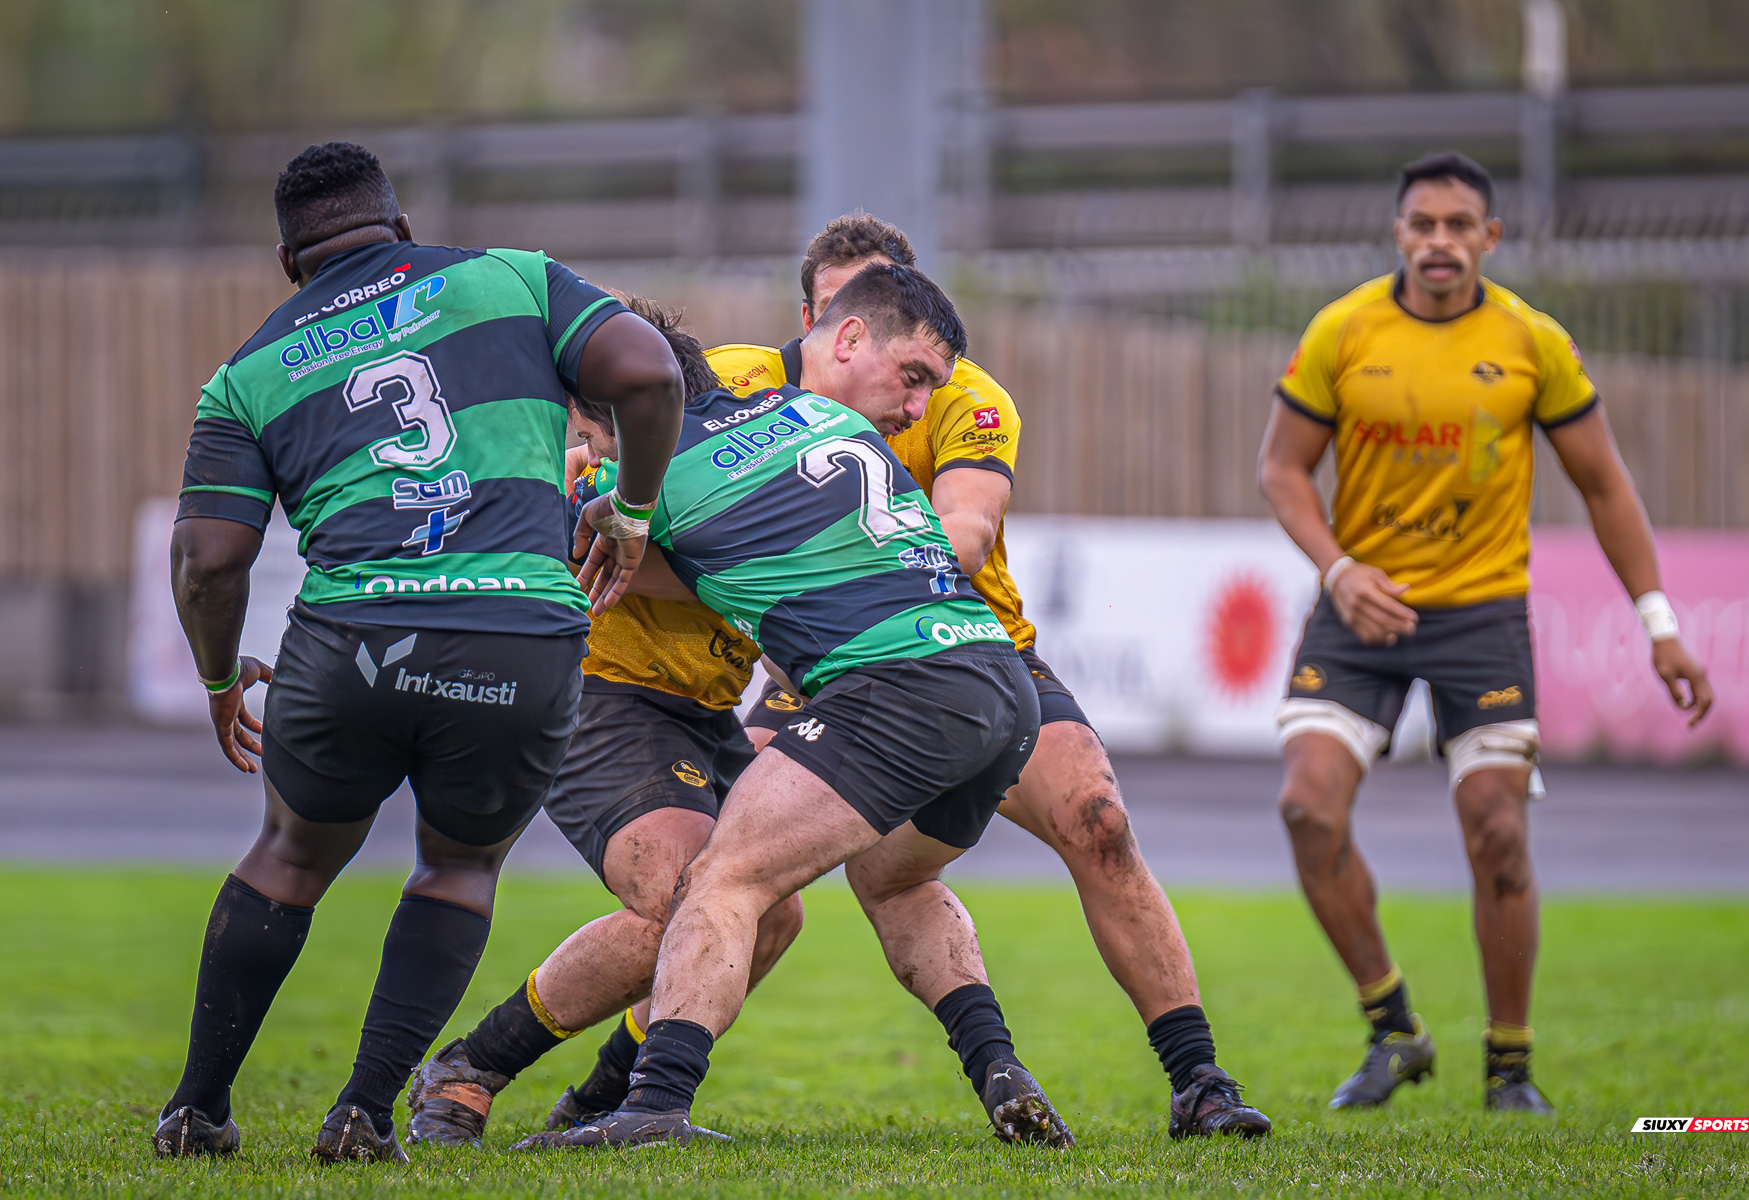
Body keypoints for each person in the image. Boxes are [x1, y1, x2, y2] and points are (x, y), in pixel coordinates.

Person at [152, 141, 683, 1162]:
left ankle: (197, 1109)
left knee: (293, 856)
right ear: (400, 228)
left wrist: (222, 679)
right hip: (519, 639)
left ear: (287, 262)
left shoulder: (247, 373)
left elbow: (208, 562)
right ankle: (361, 1111)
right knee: (458, 867)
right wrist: (631, 511)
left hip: (352, 643)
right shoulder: (513, 279)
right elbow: (648, 373)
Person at [708, 214, 1270, 1139]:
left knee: (1101, 823)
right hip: (810, 668)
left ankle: (1199, 1082)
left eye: (880, 298)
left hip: (974, 646)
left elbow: (965, 534)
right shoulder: (740, 379)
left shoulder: (965, 397)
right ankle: (631, 1089)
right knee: (721, 876)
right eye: (836, 303)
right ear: (817, 318)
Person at [526, 263, 1073, 1149]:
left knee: (725, 877)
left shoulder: (653, 475)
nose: (919, 404)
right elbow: (710, 568)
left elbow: (573, 546)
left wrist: (565, 478)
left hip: (896, 688)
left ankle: (652, 1107)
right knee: (897, 876)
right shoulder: (812, 416)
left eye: (588, 421)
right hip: (999, 684)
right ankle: (997, 1064)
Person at [1257, 151, 1714, 1113]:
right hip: (1359, 608)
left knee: (1498, 831)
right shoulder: (1343, 331)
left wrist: (1659, 624)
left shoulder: (1532, 341)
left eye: (1459, 225)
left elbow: (1604, 485)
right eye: (1422, 224)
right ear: (1398, 234)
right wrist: (1340, 570)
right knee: (1306, 809)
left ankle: (1510, 1067)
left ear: (1489, 237)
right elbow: (1283, 471)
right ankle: (1395, 1030)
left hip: (1481, 616)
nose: (1439, 242)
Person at [403, 302, 805, 1147]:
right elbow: (653, 557)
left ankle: (608, 1098)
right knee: (687, 895)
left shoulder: (769, 432)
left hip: (703, 707)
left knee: (768, 916)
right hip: (605, 692)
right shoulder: (595, 469)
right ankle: (472, 1066)